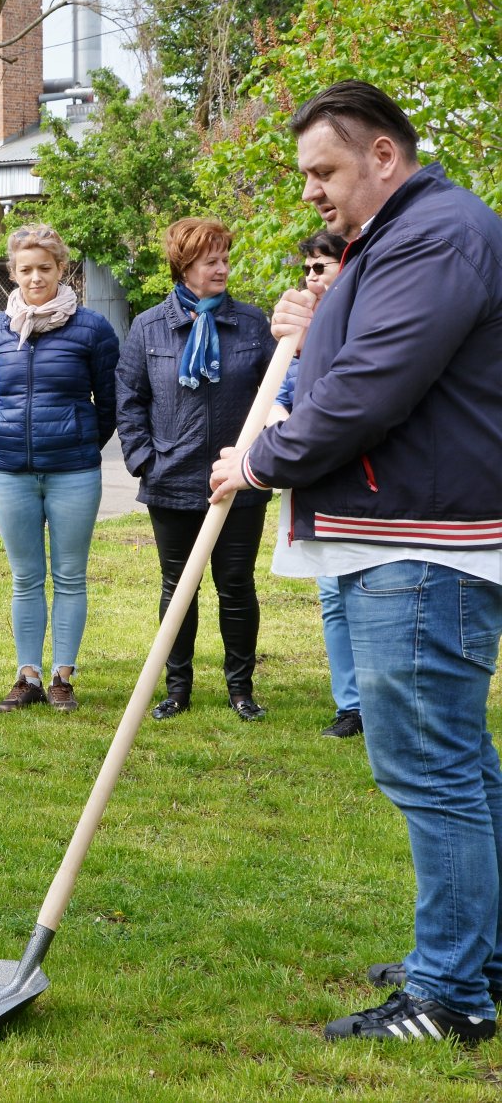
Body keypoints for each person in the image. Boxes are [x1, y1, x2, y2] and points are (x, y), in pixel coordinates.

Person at [211, 80, 502, 1044]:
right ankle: (480, 951)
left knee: (432, 770)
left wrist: (258, 460)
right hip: (410, 532)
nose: (310, 192)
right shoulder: (393, 244)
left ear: (384, 155)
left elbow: (373, 390)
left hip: (421, 544)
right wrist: (325, 312)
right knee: (458, 766)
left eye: (323, 170)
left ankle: (452, 995)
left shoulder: (437, 235)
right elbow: (359, 362)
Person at [116, 217, 273, 722]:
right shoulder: (148, 327)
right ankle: (177, 687)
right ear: (184, 266)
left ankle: (241, 689)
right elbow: (129, 399)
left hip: (239, 481)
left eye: (226, 258)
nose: (223, 268)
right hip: (172, 480)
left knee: (236, 585)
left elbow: (278, 397)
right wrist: (145, 461)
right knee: (177, 588)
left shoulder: (253, 324)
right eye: (211, 260)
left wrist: (260, 463)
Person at [0, 225, 119, 713]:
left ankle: (63, 676)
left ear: (62, 269)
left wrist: (79, 441)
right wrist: (6, 433)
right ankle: (28, 675)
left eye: (44, 268)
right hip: (11, 471)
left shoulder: (92, 329)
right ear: (12, 274)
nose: (34, 277)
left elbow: (109, 402)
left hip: (74, 471)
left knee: (71, 575)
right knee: (25, 577)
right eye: (25, 269)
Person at [266, 230, 361, 739]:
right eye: (306, 269)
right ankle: (351, 705)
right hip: (314, 480)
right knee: (333, 596)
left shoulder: (364, 320)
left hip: (362, 484)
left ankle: (381, 699)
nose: (310, 278)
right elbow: (278, 392)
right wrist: (279, 419)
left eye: (320, 267)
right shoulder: (301, 332)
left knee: (366, 590)